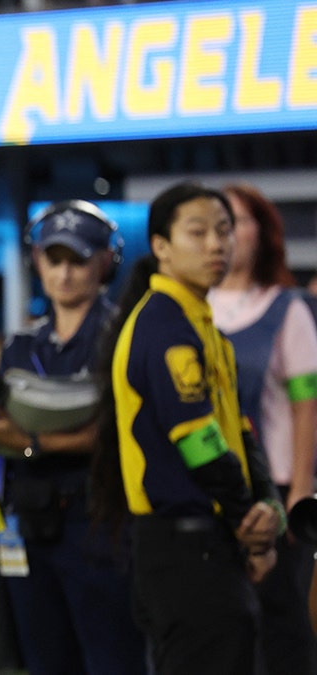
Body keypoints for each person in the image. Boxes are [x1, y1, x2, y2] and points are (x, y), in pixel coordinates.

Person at [91, 181, 283, 675]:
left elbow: (238, 431)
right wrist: (250, 522)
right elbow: (198, 439)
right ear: (161, 247)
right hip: (183, 551)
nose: (217, 244)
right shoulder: (164, 327)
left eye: (224, 231)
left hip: (209, 545)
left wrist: (266, 503)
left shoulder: (204, 328)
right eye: (197, 233)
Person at [0, 200, 146, 675]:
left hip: (100, 524)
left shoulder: (125, 337)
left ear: (105, 262)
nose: (65, 273)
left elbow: (116, 433)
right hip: (30, 523)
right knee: (43, 661)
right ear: (38, 263)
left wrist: (28, 441)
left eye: (78, 259)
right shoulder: (19, 345)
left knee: (113, 660)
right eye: (55, 259)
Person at [209, 182, 317, 675]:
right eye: (216, 220)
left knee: (279, 631)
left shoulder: (287, 308)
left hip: (274, 490)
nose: (226, 232)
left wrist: (301, 490)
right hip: (209, 495)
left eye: (239, 219)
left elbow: (306, 406)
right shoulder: (185, 309)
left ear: (262, 230)